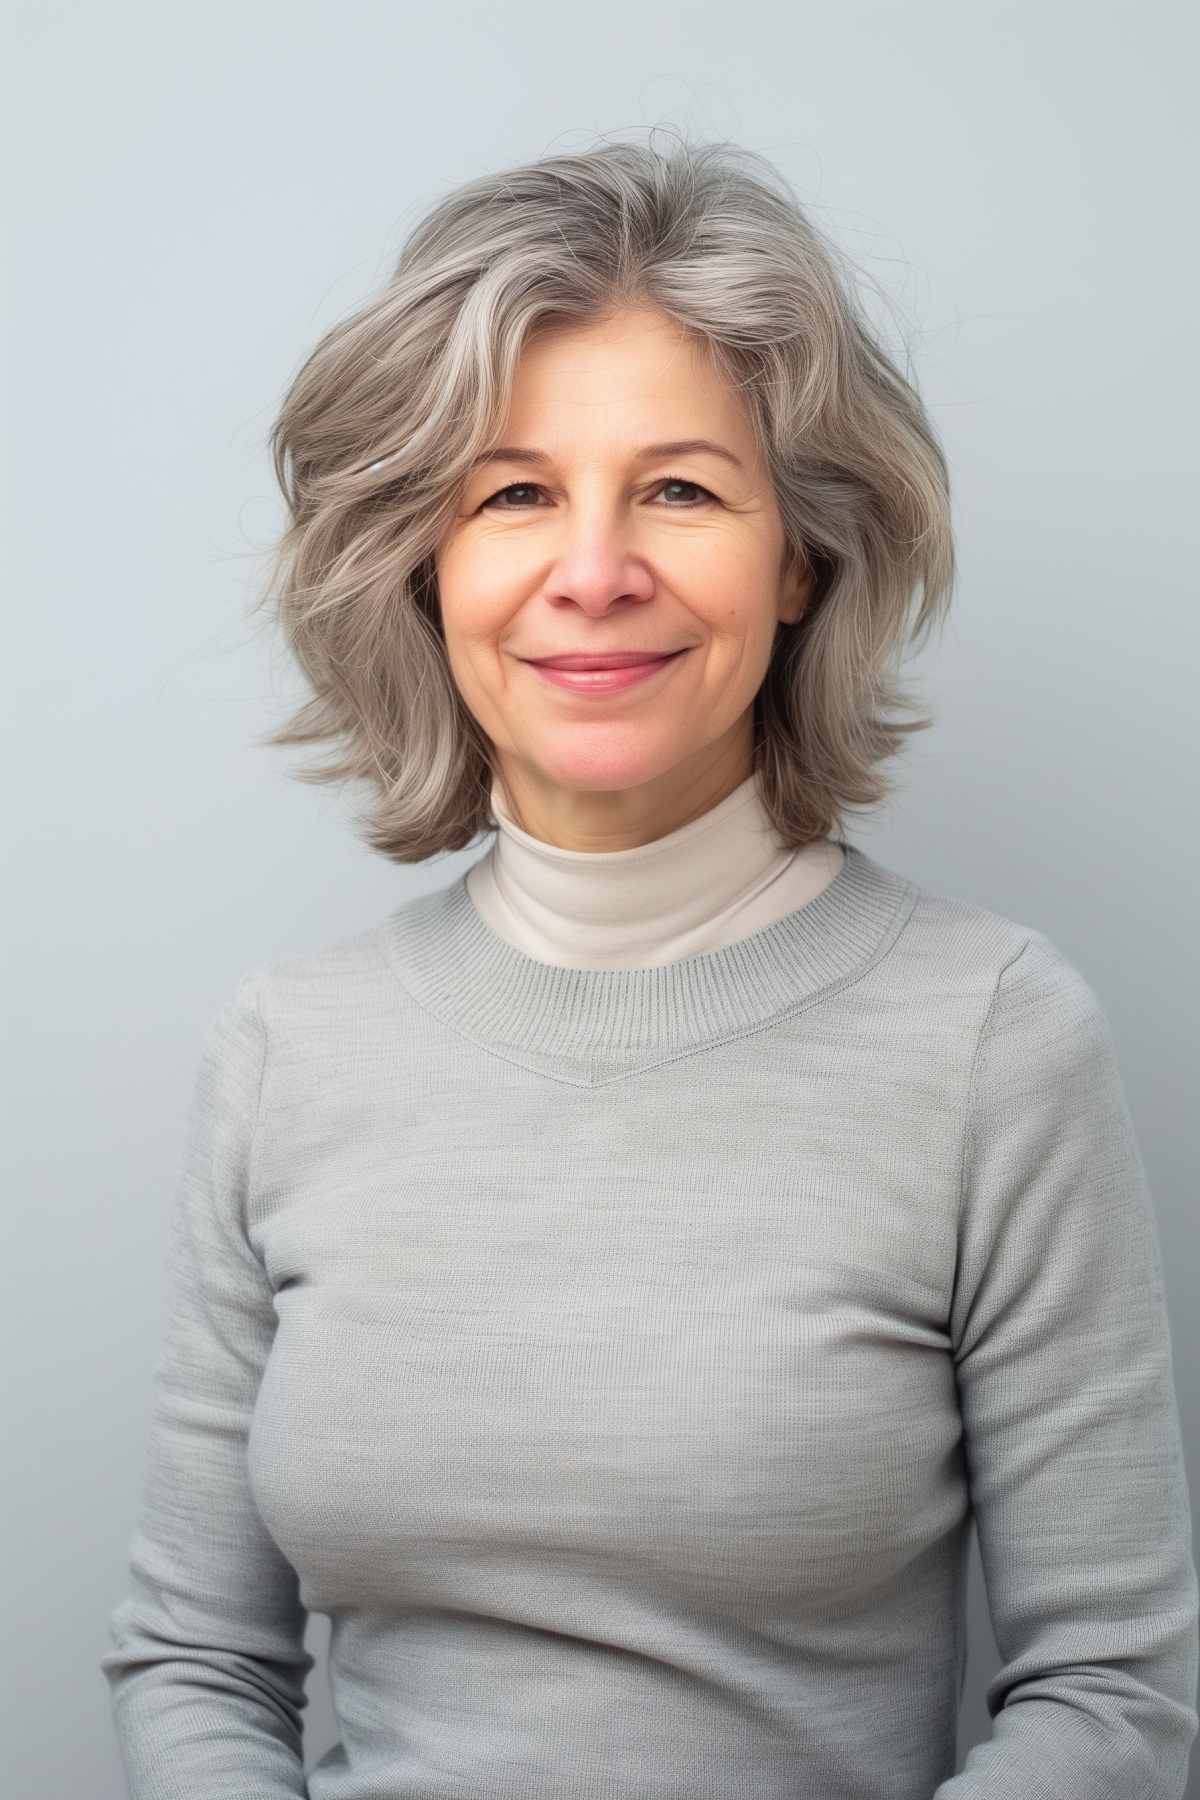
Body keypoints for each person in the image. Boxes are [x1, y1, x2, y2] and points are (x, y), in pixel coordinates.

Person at [100, 131, 1199, 1799]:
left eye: (680, 489)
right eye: (515, 493)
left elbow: (1112, 1696)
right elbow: (195, 1660)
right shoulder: (288, 1052)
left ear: (803, 558)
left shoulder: (991, 1038)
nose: (594, 571)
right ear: (425, 562)